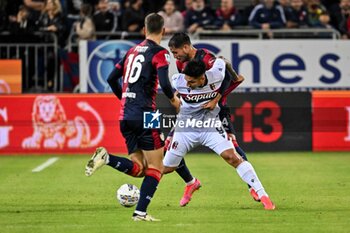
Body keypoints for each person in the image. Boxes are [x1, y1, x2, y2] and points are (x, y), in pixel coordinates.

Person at [85, 13, 180, 221]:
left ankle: (107, 158)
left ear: (144, 30)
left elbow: (111, 78)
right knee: (158, 167)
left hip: (125, 115)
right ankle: (140, 213)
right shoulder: (160, 53)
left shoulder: (131, 51)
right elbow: (165, 83)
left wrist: (125, 99)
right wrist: (174, 101)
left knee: (139, 169)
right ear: (163, 31)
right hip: (148, 114)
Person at [163, 59, 276, 210]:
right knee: (166, 168)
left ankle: (264, 196)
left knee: (233, 157)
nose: (188, 84)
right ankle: (186, 184)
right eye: (187, 80)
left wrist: (230, 82)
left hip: (210, 126)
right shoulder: (178, 81)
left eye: (191, 81)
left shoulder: (216, 74)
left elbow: (223, 61)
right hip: (186, 130)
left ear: (202, 78)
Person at [167, 32, 259, 207]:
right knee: (170, 146)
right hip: (192, 112)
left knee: (233, 147)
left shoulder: (207, 58)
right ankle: (190, 183)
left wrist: (216, 99)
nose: (175, 56)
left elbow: (224, 78)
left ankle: (252, 186)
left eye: (175, 52)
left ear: (186, 47)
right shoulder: (181, 64)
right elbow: (189, 86)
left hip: (217, 109)